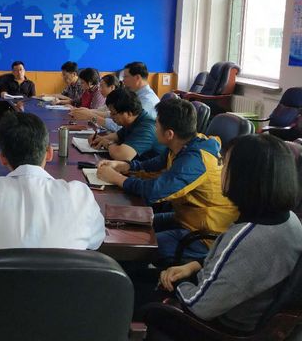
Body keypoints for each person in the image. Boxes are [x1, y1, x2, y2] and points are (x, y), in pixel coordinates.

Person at [157, 134, 302, 333]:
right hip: (242, 314)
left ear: (243, 177)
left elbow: (199, 306)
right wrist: (194, 265)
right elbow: (235, 264)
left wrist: (178, 283)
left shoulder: (248, 237)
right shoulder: (289, 219)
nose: (221, 169)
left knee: (145, 303)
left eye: (224, 164)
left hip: (218, 329)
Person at [96, 98, 238, 261]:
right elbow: (156, 163)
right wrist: (125, 166)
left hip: (205, 234)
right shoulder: (185, 144)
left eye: (157, 125)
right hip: (186, 217)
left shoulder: (195, 160)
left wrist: (117, 178)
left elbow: (155, 192)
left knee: (131, 246)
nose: (154, 128)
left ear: (169, 134)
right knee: (123, 223)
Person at [0, 111, 105, 251]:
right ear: (50, 153)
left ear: (2, 158)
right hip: (66, 277)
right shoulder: (80, 197)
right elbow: (96, 240)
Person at [90, 87, 165, 161]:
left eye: (114, 114)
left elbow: (121, 155)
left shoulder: (146, 128)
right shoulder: (133, 121)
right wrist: (99, 139)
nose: (111, 117)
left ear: (129, 113)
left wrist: (108, 144)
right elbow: (117, 136)